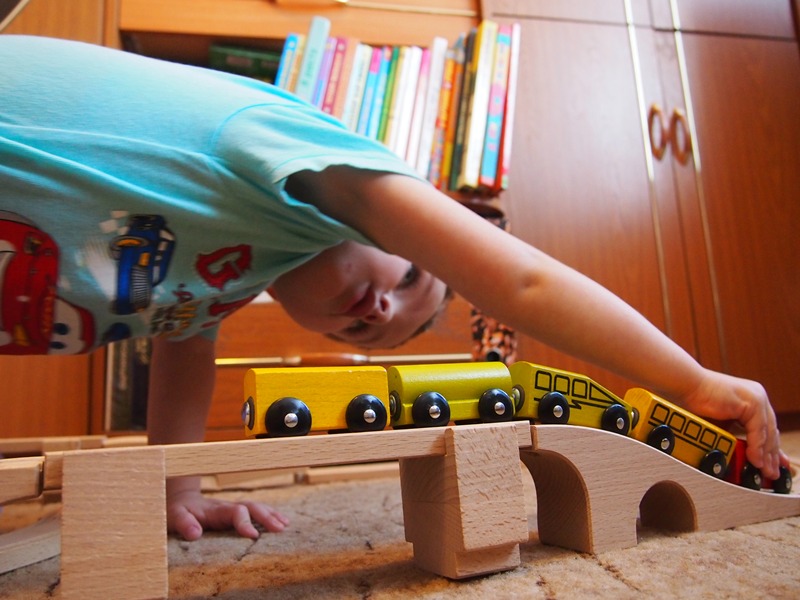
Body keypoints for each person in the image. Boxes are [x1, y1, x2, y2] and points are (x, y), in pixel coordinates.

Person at [1, 35, 783, 541]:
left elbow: (184, 359)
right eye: (407, 273)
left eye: (367, 333)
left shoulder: (224, 284)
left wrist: (178, 490)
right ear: (405, 224)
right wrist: (693, 381)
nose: (379, 309)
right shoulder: (316, 161)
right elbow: (521, 283)